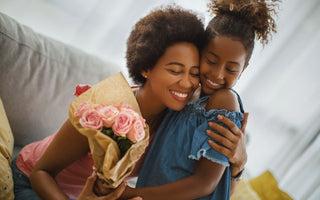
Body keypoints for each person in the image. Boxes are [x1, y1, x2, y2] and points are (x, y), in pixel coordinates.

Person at [11, 5, 247, 200]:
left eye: (194, 73)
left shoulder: (177, 119)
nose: (187, 83)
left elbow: (204, 182)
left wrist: (237, 164)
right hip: (31, 182)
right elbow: (41, 172)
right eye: (175, 70)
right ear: (146, 68)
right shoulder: (104, 108)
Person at [115, 0, 279, 199]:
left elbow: (206, 184)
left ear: (242, 70)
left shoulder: (224, 101)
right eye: (211, 60)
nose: (218, 75)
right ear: (199, 52)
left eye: (231, 69)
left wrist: (134, 193)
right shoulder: (187, 95)